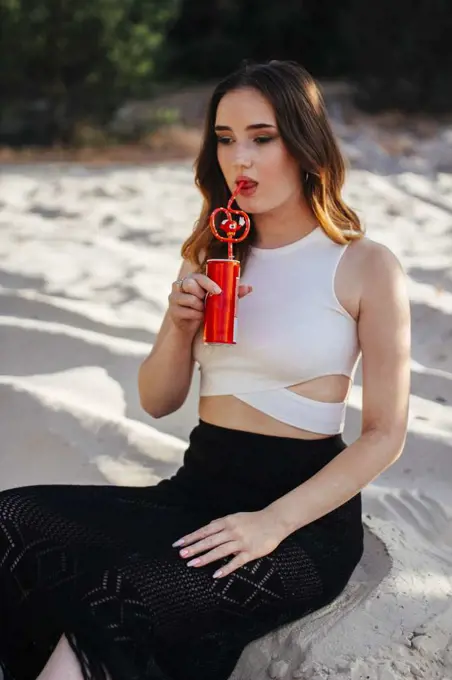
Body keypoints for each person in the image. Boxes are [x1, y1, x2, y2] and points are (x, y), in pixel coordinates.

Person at [0, 59, 411, 680]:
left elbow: (386, 434)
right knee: (9, 520)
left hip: (300, 520)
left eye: (261, 137)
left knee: (116, 599)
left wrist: (271, 524)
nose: (239, 159)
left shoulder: (364, 266)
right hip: (196, 491)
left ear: (303, 142)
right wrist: (178, 324)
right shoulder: (211, 253)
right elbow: (158, 400)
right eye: (224, 139)